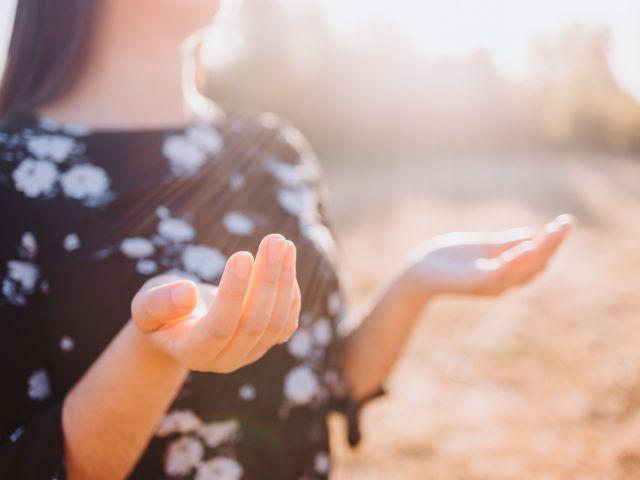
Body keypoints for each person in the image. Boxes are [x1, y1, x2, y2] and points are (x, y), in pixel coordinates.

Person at [0, 1, 573, 479]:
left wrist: (413, 285)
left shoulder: (274, 150)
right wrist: (153, 350)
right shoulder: (13, 172)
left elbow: (322, 381)